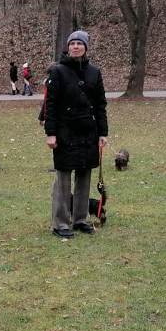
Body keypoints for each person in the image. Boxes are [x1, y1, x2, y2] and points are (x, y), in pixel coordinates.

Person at [42, 30, 108, 238]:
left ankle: (80, 219)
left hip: (88, 131)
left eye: (80, 43)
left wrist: (103, 132)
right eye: (72, 44)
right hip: (64, 132)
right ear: (68, 47)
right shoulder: (58, 72)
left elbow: (100, 105)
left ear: (86, 47)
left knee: (84, 176)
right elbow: (50, 105)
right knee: (63, 178)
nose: (76, 47)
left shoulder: (94, 73)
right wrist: (50, 133)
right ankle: (60, 222)